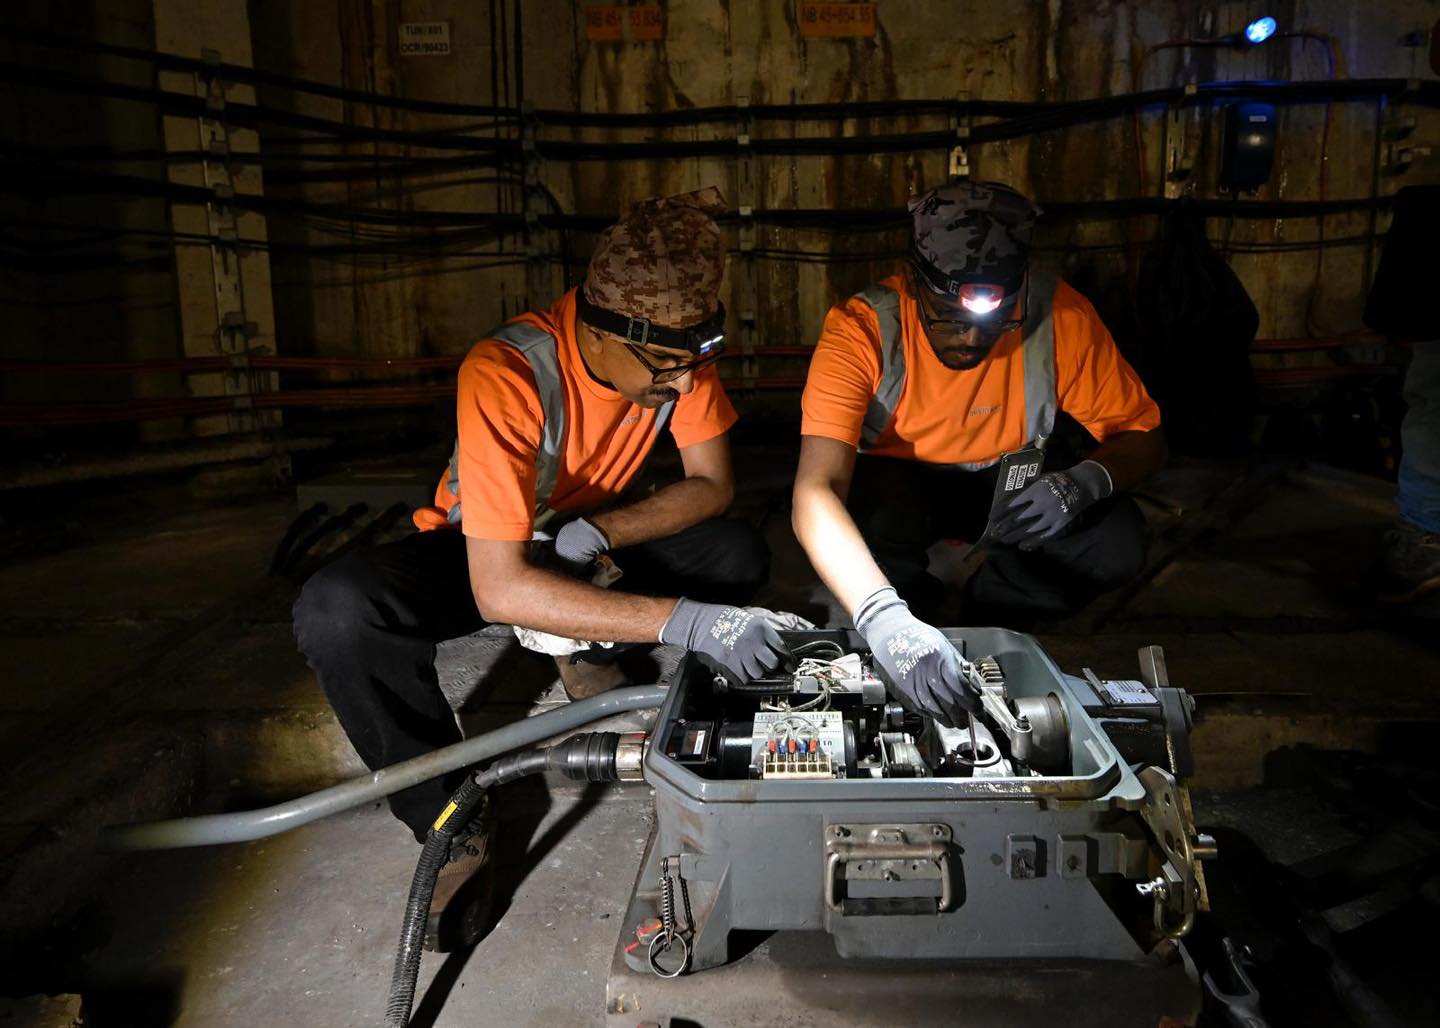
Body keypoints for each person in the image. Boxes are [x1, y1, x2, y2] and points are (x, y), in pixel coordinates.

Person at [293, 187, 802, 950]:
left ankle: (579, 638)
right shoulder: (507, 370)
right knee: (339, 610)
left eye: (697, 360)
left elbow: (714, 484)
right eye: (667, 365)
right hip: (485, 549)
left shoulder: (675, 350)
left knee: (735, 551)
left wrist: (600, 528)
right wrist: (686, 621)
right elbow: (498, 587)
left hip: (583, 539)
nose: (687, 383)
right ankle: (451, 819)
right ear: (599, 332)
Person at [791, 180, 1166, 727]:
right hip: (899, 486)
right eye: (948, 317)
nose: (970, 339)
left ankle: (990, 609)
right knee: (868, 522)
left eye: (995, 321)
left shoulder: (1061, 316)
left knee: (1117, 541)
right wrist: (882, 614)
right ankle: (906, 613)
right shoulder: (861, 330)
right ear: (915, 283)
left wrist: (1085, 481)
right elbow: (815, 491)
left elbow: (1145, 435)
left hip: (1003, 485)